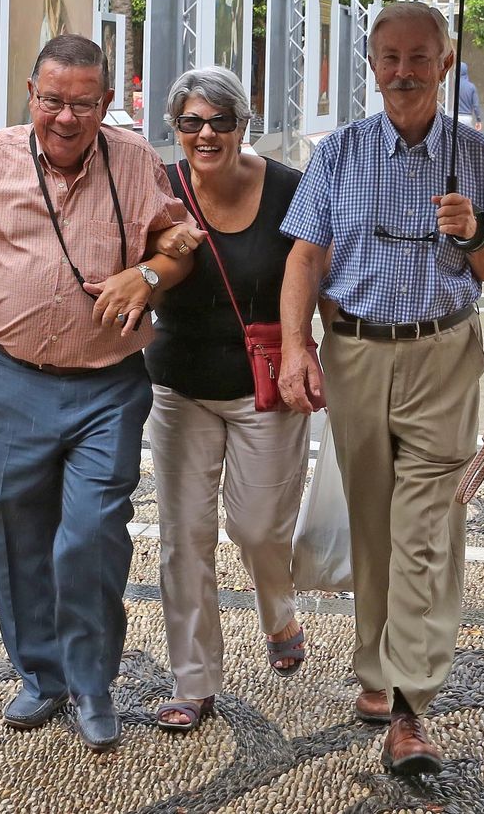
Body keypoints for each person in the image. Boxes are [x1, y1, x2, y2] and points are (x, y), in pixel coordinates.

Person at [0, 34, 195, 754]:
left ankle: (93, 682)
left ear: (107, 103)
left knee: (92, 535)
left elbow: (176, 246)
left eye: (82, 103)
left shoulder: (132, 159)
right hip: (13, 381)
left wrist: (151, 277)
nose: (65, 117)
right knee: (17, 532)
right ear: (30, 95)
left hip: (108, 387)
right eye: (51, 100)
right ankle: (41, 674)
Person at [276, 1, 484, 774]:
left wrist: (475, 232)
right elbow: (305, 260)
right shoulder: (339, 154)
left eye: (421, 56)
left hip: (443, 356)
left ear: (447, 64)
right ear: (372, 65)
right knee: (375, 523)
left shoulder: (480, 160)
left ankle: (413, 705)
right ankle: (378, 667)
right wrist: (296, 345)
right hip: (354, 353)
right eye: (390, 57)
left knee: (426, 528)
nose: (404, 71)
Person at [141, 67, 310, 732]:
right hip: (179, 384)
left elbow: (316, 272)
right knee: (184, 535)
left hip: (264, 384)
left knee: (259, 526)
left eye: (219, 121)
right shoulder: (159, 186)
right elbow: (131, 264)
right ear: (176, 129)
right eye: (190, 122)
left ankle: (279, 609)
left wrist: (314, 351)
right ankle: (193, 680)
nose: (204, 134)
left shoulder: (290, 188)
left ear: (244, 124)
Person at [455, 61, 482, 130]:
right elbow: (476, 106)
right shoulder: (471, 87)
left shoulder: (452, 85)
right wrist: (478, 120)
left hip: (453, 116)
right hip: (467, 117)